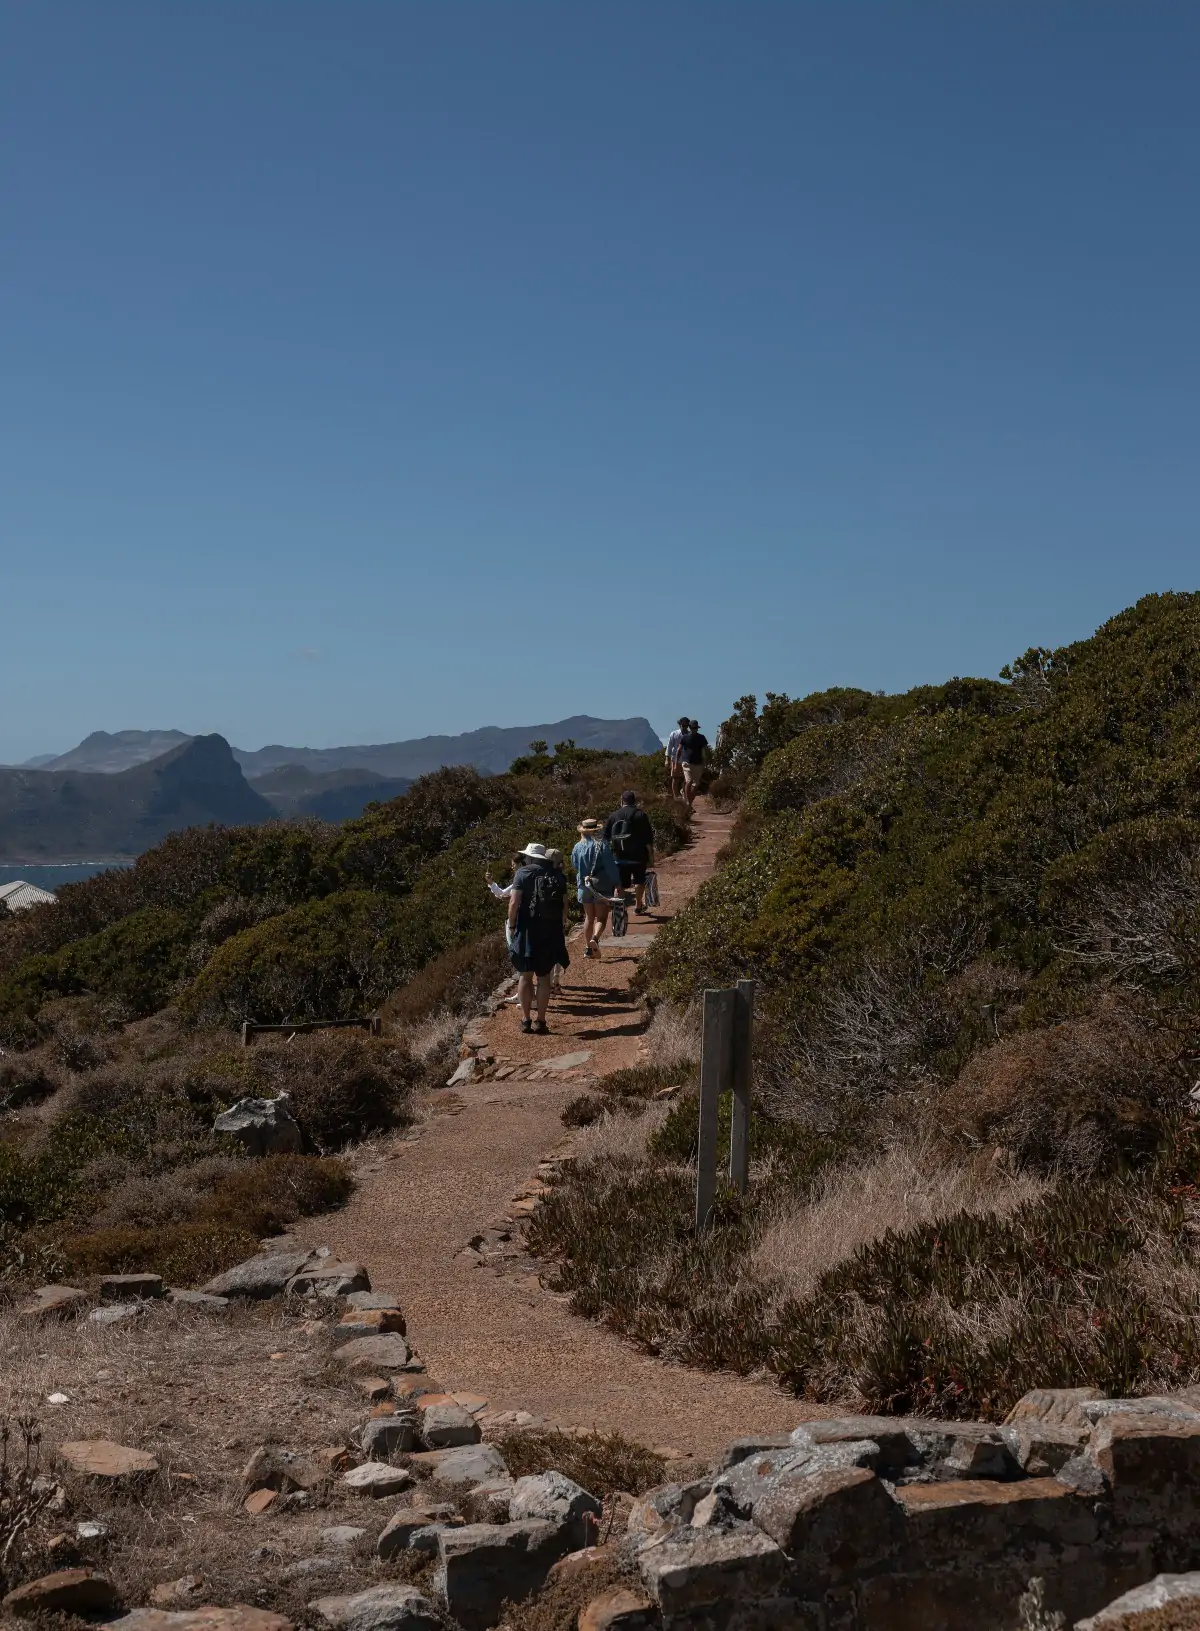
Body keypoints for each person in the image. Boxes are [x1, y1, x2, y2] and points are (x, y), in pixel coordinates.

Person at [506, 841, 569, 1034]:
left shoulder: (523, 873)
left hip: (527, 930)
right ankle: (541, 1020)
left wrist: (513, 925)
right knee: (543, 977)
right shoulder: (558, 875)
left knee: (525, 976)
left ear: (529, 857)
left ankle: (526, 1020)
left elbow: (514, 903)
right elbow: (564, 907)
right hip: (549, 930)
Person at [570, 818, 622, 958]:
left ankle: (588, 949)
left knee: (589, 917)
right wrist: (617, 882)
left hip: (583, 884)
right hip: (601, 884)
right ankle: (595, 938)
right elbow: (610, 866)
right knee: (601, 917)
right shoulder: (602, 845)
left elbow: (575, 865)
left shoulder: (577, 847)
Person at [604, 790, 656, 916]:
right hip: (638, 856)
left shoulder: (613, 815)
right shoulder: (641, 815)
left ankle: (619, 911)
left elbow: (605, 838)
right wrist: (651, 856)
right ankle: (638, 906)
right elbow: (648, 838)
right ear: (634, 801)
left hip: (619, 856)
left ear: (622, 801)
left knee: (620, 885)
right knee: (639, 880)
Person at [679, 719, 709, 807]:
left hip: (698, 763)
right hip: (687, 763)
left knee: (696, 784)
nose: (694, 729)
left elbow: (706, 750)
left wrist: (706, 762)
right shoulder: (685, 737)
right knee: (689, 781)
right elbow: (679, 749)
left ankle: (689, 801)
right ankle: (687, 802)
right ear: (690, 728)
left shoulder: (701, 738)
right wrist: (677, 761)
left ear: (697, 728)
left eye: (695, 728)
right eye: (692, 728)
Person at [664, 716, 690, 799]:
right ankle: (675, 796)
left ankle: (685, 795)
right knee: (675, 778)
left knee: (686, 779)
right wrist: (667, 759)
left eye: (686, 726)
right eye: (683, 725)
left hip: (686, 760)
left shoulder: (690, 735)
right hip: (675, 759)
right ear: (680, 725)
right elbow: (669, 746)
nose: (684, 727)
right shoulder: (674, 734)